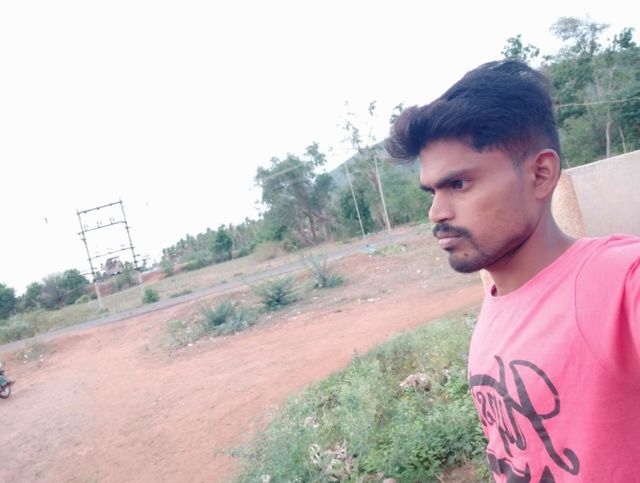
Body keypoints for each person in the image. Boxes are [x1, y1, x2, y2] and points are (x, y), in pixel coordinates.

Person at [385, 60, 640, 482]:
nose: (436, 212)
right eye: (432, 191)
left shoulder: (618, 282)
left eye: (459, 185)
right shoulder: (498, 298)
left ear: (540, 175)